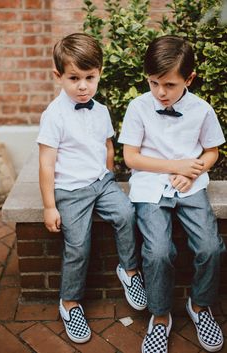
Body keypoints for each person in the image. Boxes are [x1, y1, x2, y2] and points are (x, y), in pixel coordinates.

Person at [37, 32, 147, 344]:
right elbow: (46, 163)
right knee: (78, 246)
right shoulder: (54, 116)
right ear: (59, 76)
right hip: (70, 191)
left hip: (101, 183)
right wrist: (49, 205)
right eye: (74, 78)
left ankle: (129, 270)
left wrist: (108, 174)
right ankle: (69, 302)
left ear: (99, 73)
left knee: (127, 213)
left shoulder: (99, 110)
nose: (83, 85)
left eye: (90, 77)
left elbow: (108, 146)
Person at [118, 35, 226, 353]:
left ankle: (200, 306)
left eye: (170, 85)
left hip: (190, 186)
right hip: (150, 185)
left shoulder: (202, 110)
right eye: (154, 83)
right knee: (157, 253)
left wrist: (193, 169)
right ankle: (160, 315)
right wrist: (174, 164)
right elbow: (131, 157)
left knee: (211, 247)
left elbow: (211, 152)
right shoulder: (138, 107)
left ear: (188, 79)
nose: (161, 92)